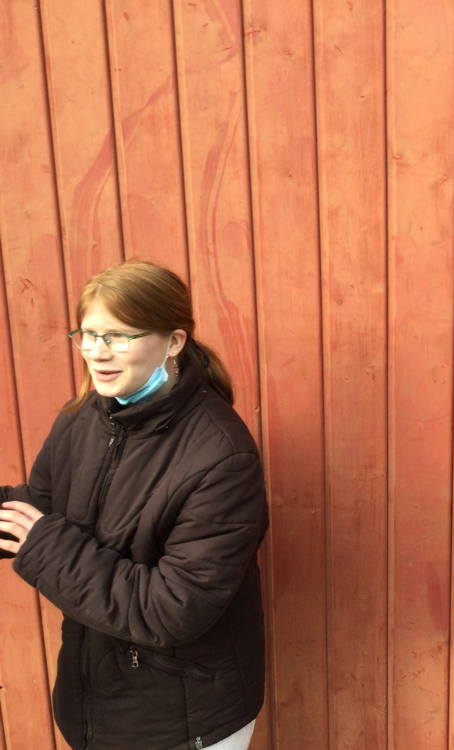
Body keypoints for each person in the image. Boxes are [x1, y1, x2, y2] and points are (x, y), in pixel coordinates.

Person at [0, 261, 267, 750]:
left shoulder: (221, 456)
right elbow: (40, 509)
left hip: (183, 722)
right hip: (96, 708)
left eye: (119, 336)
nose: (96, 352)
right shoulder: (83, 418)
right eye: (87, 334)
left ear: (174, 341)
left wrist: (46, 547)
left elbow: (171, 609)